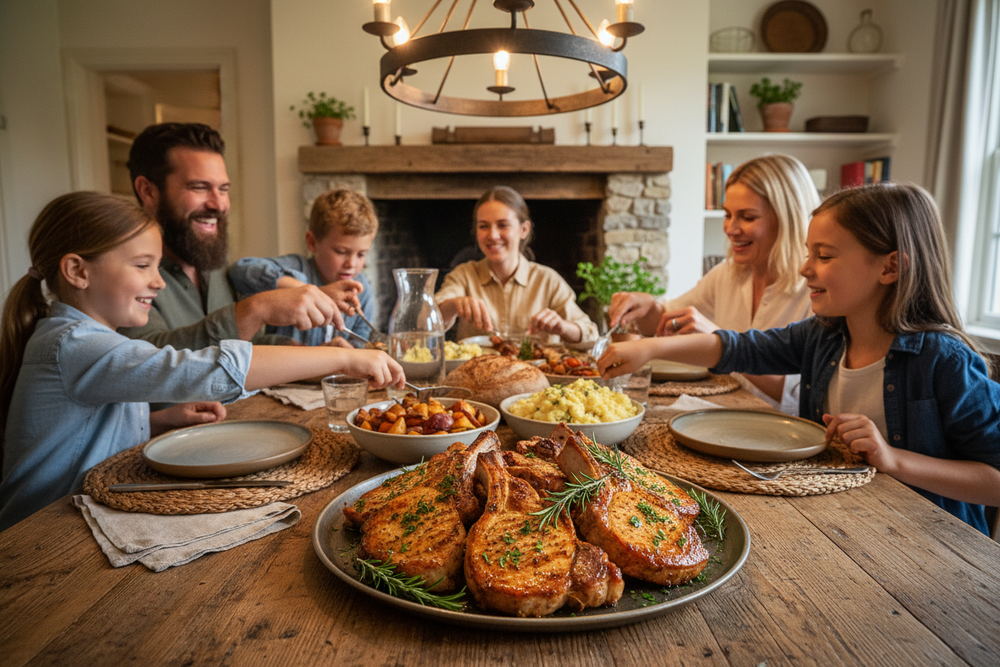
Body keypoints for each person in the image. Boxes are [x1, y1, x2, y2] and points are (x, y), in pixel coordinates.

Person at [597, 183, 1000, 535]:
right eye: (809, 253)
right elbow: (738, 347)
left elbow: (994, 480)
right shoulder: (824, 335)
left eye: (824, 256)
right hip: (839, 520)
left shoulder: (943, 360)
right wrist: (648, 348)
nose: (806, 268)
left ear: (890, 266)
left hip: (927, 541)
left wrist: (894, 460)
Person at [0, 192, 404, 531]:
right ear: (77, 271)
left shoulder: (87, 339)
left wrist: (156, 421)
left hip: (84, 513)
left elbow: (77, 432)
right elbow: (202, 367)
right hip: (40, 530)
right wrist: (340, 357)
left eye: (157, 266)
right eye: (142, 266)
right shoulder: (71, 344)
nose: (158, 281)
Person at [608, 154, 819, 414]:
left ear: (788, 220)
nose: (731, 228)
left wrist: (719, 342)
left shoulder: (818, 291)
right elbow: (665, 322)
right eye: (728, 214)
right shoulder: (728, 274)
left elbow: (801, 398)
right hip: (727, 412)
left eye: (748, 217)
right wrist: (647, 305)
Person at [119, 122, 355, 349]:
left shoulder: (210, 257)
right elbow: (150, 361)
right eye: (199, 187)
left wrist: (317, 357)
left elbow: (242, 346)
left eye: (223, 189)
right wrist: (257, 309)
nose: (219, 204)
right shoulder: (122, 270)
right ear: (147, 191)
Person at [435, 186, 599, 343]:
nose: (492, 235)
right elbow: (428, 321)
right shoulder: (464, 275)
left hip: (535, 371)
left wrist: (563, 327)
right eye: (483, 226)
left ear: (524, 229)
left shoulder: (547, 280)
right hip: (478, 371)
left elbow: (591, 336)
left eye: (503, 225)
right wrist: (453, 305)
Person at [228, 189, 378, 348]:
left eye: (361, 254)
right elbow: (241, 270)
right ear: (312, 242)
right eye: (341, 252)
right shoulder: (298, 268)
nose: (352, 264)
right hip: (286, 369)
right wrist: (306, 291)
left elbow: (362, 339)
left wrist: (348, 349)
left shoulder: (362, 289)